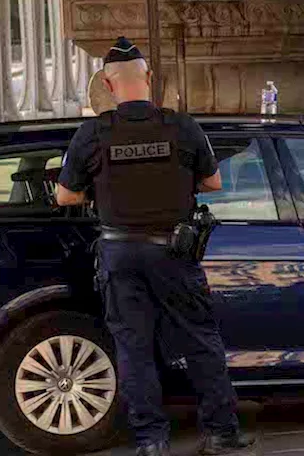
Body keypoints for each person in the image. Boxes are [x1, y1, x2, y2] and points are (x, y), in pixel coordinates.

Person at [55, 38, 253, 456]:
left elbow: (65, 197)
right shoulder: (181, 127)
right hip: (174, 251)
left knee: (133, 348)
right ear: (149, 79)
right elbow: (213, 183)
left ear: (108, 86)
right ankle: (221, 433)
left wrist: (104, 191)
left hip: (119, 253)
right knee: (200, 340)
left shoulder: (93, 133)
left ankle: (151, 442)